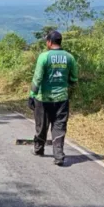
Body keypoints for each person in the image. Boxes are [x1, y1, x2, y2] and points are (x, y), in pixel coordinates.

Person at [29, 30, 78, 166]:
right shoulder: (69, 57)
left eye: (46, 41)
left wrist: (32, 95)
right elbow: (74, 78)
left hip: (43, 99)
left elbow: (37, 78)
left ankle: (39, 149)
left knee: (42, 125)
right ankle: (58, 156)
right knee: (59, 126)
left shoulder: (43, 57)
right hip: (62, 99)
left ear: (49, 42)